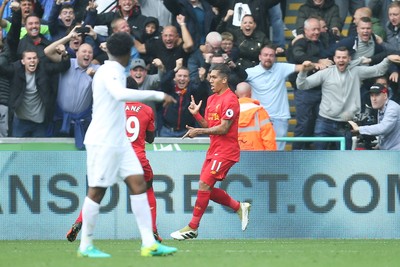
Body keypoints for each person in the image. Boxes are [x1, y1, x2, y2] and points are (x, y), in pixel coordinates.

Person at [77, 32, 177, 258]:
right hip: (103, 141)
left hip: (120, 142)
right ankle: (85, 245)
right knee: (97, 191)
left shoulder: (115, 70)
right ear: (126, 53)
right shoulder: (109, 71)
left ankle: (149, 243)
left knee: (138, 183)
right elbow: (119, 94)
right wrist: (158, 95)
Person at [170, 64, 251, 240]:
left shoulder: (231, 100)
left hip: (226, 151)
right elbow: (210, 126)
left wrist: (198, 132)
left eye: (214, 77)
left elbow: (223, 128)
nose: (210, 80)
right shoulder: (212, 99)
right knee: (205, 187)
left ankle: (192, 227)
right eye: (210, 77)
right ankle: (239, 207)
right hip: (214, 150)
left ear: (224, 79)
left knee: (204, 186)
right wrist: (197, 116)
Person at [66, 101, 164, 243]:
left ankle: (79, 221)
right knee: (147, 190)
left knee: (96, 193)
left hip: (111, 156)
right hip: (136, 158)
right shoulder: (147, 109)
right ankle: (152, 230)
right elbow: (150, 139)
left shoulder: (111, 107)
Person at [296, 47, 400, 150]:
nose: (341, 60)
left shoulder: (357, 71)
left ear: (349, 59)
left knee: (344, 160)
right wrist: (303, 71)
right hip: (324, 122)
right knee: (319, 156)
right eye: (338, 57)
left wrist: (387, 60)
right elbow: (302, 85)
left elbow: (378, 70)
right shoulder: (325, 73)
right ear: (334, 59)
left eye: (344, 57)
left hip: (345, 124)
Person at [245, 44, 311, 150]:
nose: (268, 58)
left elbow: (302, 67)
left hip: (280, 117)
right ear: (259, 57)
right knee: (258, 149)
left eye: (271, 55)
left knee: (279, 150)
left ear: (275, 57)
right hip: (259, 117)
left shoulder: (281, 67)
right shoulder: (250, 72)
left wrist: (315, 64)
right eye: (265, 55)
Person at [349, 83, 400, 150]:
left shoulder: (392, 108)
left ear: (385, 95)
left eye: (377, 95)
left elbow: (383, 128)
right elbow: (388, 133)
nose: (374, 99)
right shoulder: (381, 107)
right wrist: (380, 144)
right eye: (372, 96)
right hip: (389, 151)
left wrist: (359, 129)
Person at [235, 82, 277, 150]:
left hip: (234, 155)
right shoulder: (260, 112)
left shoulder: (230, 112)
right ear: (251, 93)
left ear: (236, 93)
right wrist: (270, 157)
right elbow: (268, 137)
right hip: (257, 156)